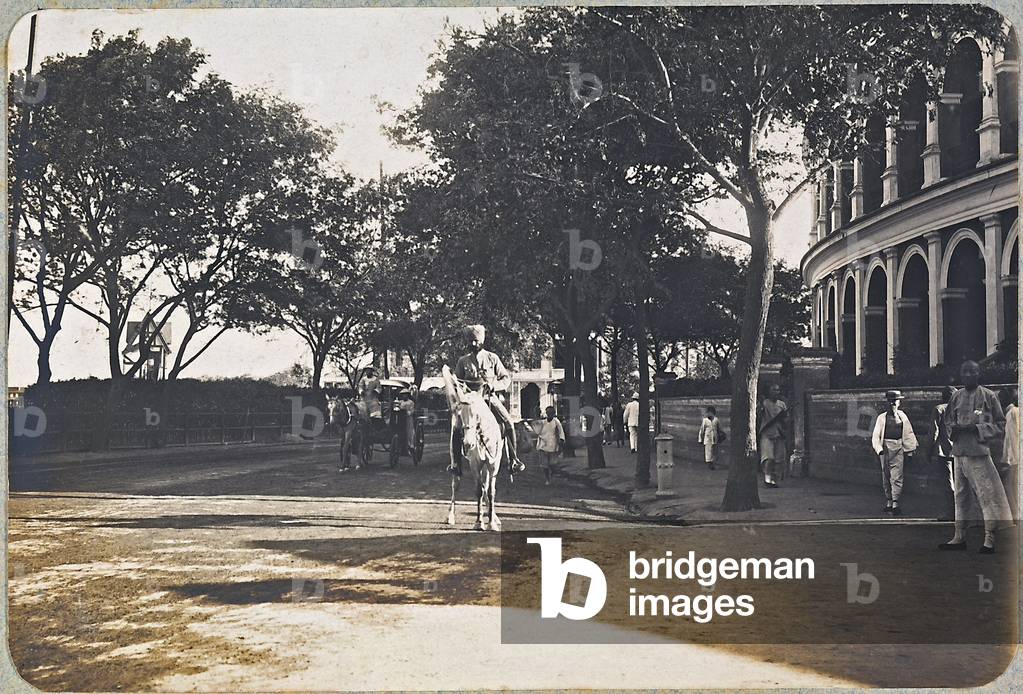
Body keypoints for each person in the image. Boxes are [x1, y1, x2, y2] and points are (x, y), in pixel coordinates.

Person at [939, 361, 1013, 554]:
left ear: (979, 374)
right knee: (960, 494)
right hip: (959, 452)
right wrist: (953, 432)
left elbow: (1000, 424)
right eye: (965, 372)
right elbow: (948, 420)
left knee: (986, 494)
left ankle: (989, 538)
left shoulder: (989, 396)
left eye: (973, 372)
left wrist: (977, 428)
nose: (969, 375)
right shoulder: (955, 396)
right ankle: (959, 536)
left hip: (978, 453)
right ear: (961, 375)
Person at [450, 324, 525, 474]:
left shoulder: (492, 358)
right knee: (456, 428)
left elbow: (506, 378)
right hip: (470, 402)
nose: (473, 344)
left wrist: (493, 385)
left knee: (508, 422)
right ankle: (456, 464)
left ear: (482, 341)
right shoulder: (463, 361)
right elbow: (456, 382)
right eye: (471, 341)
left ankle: (514, 460)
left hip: (489, 398)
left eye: (476, 341)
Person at [871, 390, 918, 516]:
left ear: (899, 402)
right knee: (886, 475)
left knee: (897, 476)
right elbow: (876, 435)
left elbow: (908, 433)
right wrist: (879, 449)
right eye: (890, 401)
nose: (893, 403)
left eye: (895, 400)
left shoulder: (903, 417)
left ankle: (896, 503)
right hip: (885, 449)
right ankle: (889, 502)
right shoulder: (882, 418)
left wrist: (909, 449)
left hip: (898, 448)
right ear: (887, 402)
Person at [930, 386, 956, 521]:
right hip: (958, 451)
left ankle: (950, 513)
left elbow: (933, 432)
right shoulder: (959, 409)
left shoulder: (939, 409)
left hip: (944, 451)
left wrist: (928, 451)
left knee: (948, 483)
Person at [757, 384, 788, 488]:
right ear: (769, 392)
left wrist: (783, 418)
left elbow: (786, 421)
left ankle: (774, 480)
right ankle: (767, 479)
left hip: (779, 434)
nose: (776, 392)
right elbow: (759, 415)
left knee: (779, 459)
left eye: (778, 390)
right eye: (773, 390)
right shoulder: (764, 403)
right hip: (767, 434)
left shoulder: (782, 404)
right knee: (768, 458)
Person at [1000, 387, 1019, 521]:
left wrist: (1010, 459)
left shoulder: (1011, 413)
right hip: (1015, 458)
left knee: (1010, 486)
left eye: (1000, 399)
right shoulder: (1013, 412)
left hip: (1016, 459)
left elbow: (1013, 439)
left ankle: (1016, 516)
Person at [536, 406, 566, 485]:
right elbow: (538, 431)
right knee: (544, 465)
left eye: (550, 413)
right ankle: (547, 478)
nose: (548, 414)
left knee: (552, 464)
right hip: (543, 445)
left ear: (553, 414)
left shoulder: (556, 421)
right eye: (547, 413)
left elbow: (561, 431)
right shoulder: (543, 422)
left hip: (553, 445)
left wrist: (561, 440)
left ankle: (552, 474)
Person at [698, 405, 724, 470]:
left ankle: (713, 463)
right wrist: (700, 439)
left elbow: (719, 428)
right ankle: (710, 464)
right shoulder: (705, 420)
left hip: (715, 438)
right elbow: (702, 430)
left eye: (709, 412)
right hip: (707, 439)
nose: (708, 414)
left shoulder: (716, 420)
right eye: (707, 412)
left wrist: (722, 434)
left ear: (712, 412)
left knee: (715, 452)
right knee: (708, 451)